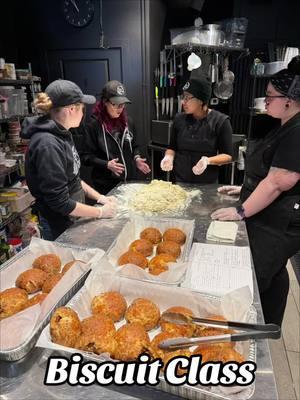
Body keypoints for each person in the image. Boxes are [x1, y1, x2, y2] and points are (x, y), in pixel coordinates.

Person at [211, 56, 300, 326]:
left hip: (280, 224)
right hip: (269, 214)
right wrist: (245, 188)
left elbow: (278, 182)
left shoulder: (297, 130)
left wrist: (240, 210)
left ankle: (250, 331)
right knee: (275, 274)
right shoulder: (283, 125)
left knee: (259, 274)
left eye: (270, 96)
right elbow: (266, 174)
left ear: (288, 100)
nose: (265, 101)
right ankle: (270, 325)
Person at [21, 79, 116, 241]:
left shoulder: (63, 133)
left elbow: (73, 178)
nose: (84, 113)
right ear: (71, 109)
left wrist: (100, 198)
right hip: (57, 223)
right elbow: (60, 202)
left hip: (71, 217)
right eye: (83, 108)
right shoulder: (47, 144)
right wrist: (100, 212)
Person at [79, 80, 151, 194]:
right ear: (104, 102)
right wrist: (107, 164)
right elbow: (85, 157)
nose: (120, 108)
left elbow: (135, 145)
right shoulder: (93, 125)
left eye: (122, 104)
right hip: (106, 185)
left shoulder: (128, 122)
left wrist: (137, 158)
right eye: (115, 104)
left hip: (129, 181)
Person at [160, 75, 233, 183]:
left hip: (207, 184)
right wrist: (168, 157)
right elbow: (172, 147)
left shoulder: (221, 121)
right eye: (183, 97)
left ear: (201, 100)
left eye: (187, 98)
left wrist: (208, 160)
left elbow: (227, 156)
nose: (182, 102)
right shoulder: (179, 119)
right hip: (180, 181)